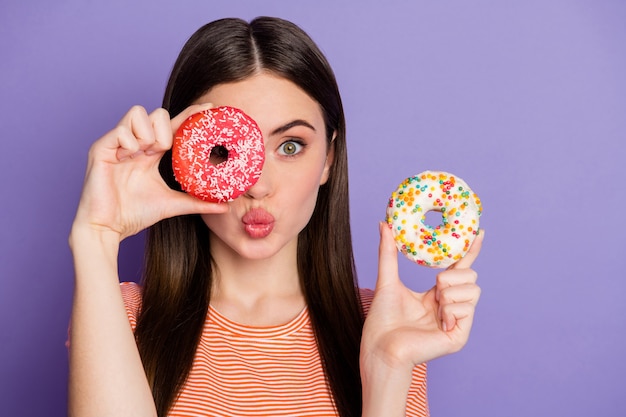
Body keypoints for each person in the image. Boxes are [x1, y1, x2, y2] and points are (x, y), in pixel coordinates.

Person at [68, 16, 483, 417]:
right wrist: (97, 237)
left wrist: (389, 367)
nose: (258, 185)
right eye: (223, 151)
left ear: (328, 159)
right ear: (182, 155)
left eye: (290, 146)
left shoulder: (390, 322)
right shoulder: (124, 315)